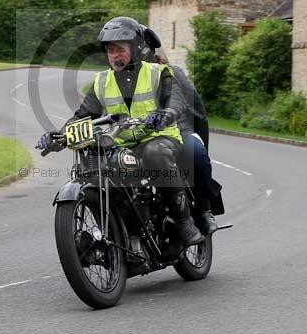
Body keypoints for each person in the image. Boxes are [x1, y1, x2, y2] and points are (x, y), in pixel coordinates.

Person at [37, 16, 203, 246]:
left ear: (135, 49)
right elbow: (82, 115)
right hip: (122, 143)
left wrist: (165, 115)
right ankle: (126, 232)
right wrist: (59, 136)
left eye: (120, 49)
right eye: (110, 50)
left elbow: (174, 100)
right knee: (100, 167)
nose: (115, 55)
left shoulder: (158, 72)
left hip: (159, 137)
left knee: (155, 153)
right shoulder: (102, 82)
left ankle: (183, 220)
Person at [139, 25, 222, 235]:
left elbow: (198, 112)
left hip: (175, 132)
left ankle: (203, 209)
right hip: (133, 138)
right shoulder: (115, 80)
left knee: (195, 151)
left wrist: (202, 141)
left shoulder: (171, 73)